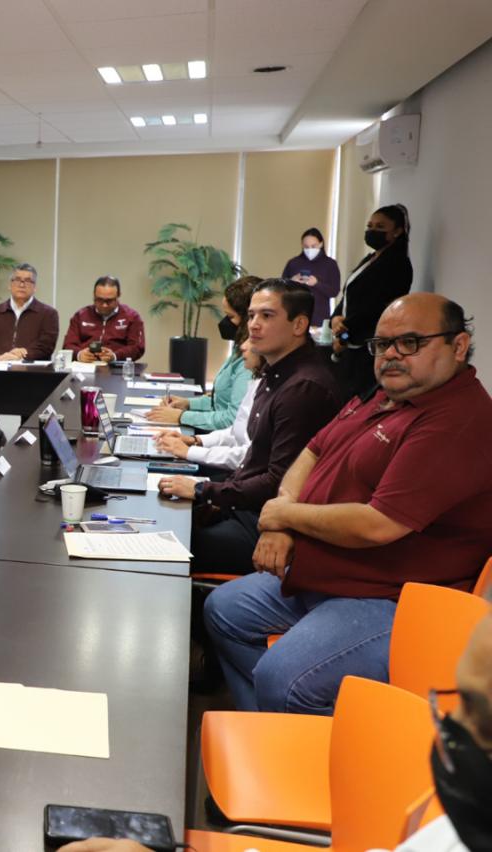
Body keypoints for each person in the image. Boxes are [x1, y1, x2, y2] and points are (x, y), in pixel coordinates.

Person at [204, 292, 492, 714]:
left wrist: (284, 514)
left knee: (282, 677)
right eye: (382, 344)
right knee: (224, 610)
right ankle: (272, 723)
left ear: (458, 345)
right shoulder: (388, 395)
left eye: (409, 342)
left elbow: (378, 524)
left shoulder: (456, 420)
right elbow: (314, 450)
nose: (391, 355)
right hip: (331, 569)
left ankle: (317, 736)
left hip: (393, 596)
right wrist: (282, 523)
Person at [59, 606, 492, 852]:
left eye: (484, 721)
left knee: (283, 676)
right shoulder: (454, 836)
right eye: (460, 703)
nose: (452, 730)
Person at [157, 280, 340, 574]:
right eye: (252, 315)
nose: (253, 325)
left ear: (299, 325)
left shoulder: (303, 388)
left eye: (267, 316)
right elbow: (253, 458)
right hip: (244, 508)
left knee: (170, 539)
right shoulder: (274, 373)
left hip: (267, 528)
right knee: (163, 513)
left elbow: (277, 481)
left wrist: (204, 490)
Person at [145, 276, 260, 429]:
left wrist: (181, 417)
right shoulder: (239, 348)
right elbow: (220, 402)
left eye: (230, 316)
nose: (225, 322)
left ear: (248, 318)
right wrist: (188, 403)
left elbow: (233, 420)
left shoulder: (251, 360)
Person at [0, 263, 61, 459]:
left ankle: (22, 448)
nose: (22, 284)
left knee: (29, 401)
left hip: (31, 376)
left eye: (28, 281)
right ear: (10, 284)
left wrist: (23, 354)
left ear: (35, 287)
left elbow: (47, 345)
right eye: (18, 280)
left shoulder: (48, 314)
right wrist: (4, 356)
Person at [331, 204, 414, 402]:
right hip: (349, 341)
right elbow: (349, 295)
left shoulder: (397, 264)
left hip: (365, 348)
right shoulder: (371, 259)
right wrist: (335, 319)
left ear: (397, 231)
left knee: (356, 400)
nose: (372, 231)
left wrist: (344, 336)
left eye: (380, 227)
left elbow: (373, 309)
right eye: (370, 226)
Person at [153, 338, 261, 473]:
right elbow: (236, 432)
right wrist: (194, 440)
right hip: (226, 458)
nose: (243, 346)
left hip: (238, 473)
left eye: (253, 340)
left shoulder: (254, 377)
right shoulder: (257, 381)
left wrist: (189, 449)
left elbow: (248, 454)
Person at [62, 276, 145, 362]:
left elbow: (137, 347)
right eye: (99, 300)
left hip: (116, 366)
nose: (104, 305)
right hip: (84, 366)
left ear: (118, 296)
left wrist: (115, 356)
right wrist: (79, 354)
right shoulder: (80, 316)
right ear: (94, 295)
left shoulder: (132, 317)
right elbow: (68, 345)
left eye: (109, 301)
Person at [281, 227, 341, 329]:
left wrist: (317, 284)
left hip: (319, 318)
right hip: (294, 315)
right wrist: (292, 281)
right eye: (306, 246)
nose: (309, 249)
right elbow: (281, 289)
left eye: (313, 246)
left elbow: (334, 291)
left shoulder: (330, 264)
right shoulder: (293, 263)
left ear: (321, 244)